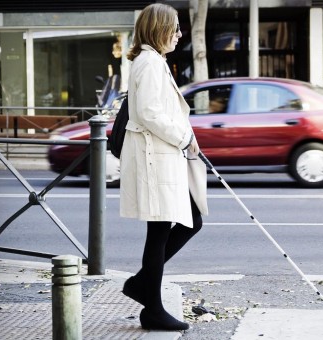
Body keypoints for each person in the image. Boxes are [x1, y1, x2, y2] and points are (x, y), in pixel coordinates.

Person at [118, 3, 208, 331]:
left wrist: (186, 137)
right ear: (159, 29)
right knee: (164, 229)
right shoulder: (150, 63)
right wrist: (185, 137)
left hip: (158, 156)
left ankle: (144, 289)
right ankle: (151, 306)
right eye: (175, 28)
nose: (180, 35)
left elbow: (156, 112)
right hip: (154, 158)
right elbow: (151, 113)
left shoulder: (152, 61)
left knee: (182, 222)